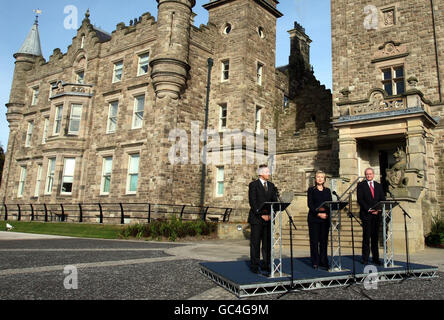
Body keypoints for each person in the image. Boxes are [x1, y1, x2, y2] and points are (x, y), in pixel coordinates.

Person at [248, 164, 278, 275]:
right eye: (266, 172)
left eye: (269, 172)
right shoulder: (253, 185)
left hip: (269, 219)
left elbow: (274, 201)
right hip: (257, 219)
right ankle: (254, 265)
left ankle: (266, 264)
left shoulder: (271, 185)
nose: (269, 174)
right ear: (260, 173)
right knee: (255, 243)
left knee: (267, 244)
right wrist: (261, 214)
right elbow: (252, 201)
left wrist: (271, 214)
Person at [357, 168, 386, 266]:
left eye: (370, 174)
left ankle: (376, 258)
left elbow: (382, 199)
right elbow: (360, 199)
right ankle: (365, 258)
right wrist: (369, 209)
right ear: (365, 175)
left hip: (377, 215)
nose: (369, 175)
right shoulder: (361, 185)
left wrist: (378, 209)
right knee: (366, 237)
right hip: (366, 215)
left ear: (373, 174)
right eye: (367, 174)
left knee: (375, 237)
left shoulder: (378, 185)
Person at [307, 171, 332, 270]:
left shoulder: (328, 190)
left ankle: (323, 261)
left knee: (324, 241)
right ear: (315, 179)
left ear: (325, 179)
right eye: (318, 177)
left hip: (325, 219)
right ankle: (315, 262)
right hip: (314, 219)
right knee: (314, 241)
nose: (320, 179)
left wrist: (325, 214)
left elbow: (329, 204)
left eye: (322, 177)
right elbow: (310, 204)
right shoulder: (311, 190)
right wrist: (318, 214)